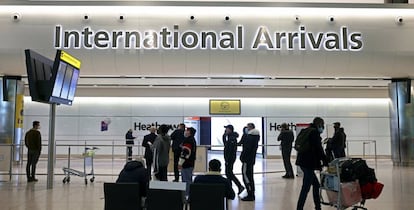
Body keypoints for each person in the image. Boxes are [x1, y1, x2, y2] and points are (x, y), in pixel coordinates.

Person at [296, 117, 328, 210]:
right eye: (322, 125)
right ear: (319, 124)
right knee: (305, 188)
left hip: (303, 162)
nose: (322, 127)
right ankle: (299, 208)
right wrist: (325, 161)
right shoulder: (314, 133)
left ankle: (318, 207)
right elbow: (319, 149)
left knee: (316, 185)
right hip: (308, 163)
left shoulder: (307, 130)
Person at [239, 123, 260, 201]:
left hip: (247, 160)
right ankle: (251, 193)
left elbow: (247, 149)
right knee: (250, 176)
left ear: (250, 128)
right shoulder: (256, 137)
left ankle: (250, 193)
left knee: (246, 176)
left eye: (247, 127)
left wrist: (242, 157)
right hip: (251, 159)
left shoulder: (250, 137)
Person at [223, 124, 244, 195]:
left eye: (227, 129)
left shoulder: (232, 138)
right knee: (228, 173)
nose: (226, 130)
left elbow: (230, 150)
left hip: (230, 158)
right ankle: (231, 188)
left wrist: (227, 160)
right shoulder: (229, 137)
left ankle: (239, 186)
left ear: (230, 129)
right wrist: (224, 136)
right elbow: (225, 145)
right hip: (229, 158)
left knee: (229, 173)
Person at [178, 127, 197, 196]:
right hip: (191, 162)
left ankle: (187, 195)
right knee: (189, 179)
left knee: (186, 180)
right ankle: (189, 194)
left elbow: (185, 153)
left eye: (187, 130)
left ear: (189, 132)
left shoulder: (188, 141)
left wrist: (180, 163)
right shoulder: (192, 140)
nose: (185, 132)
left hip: (186, 163)